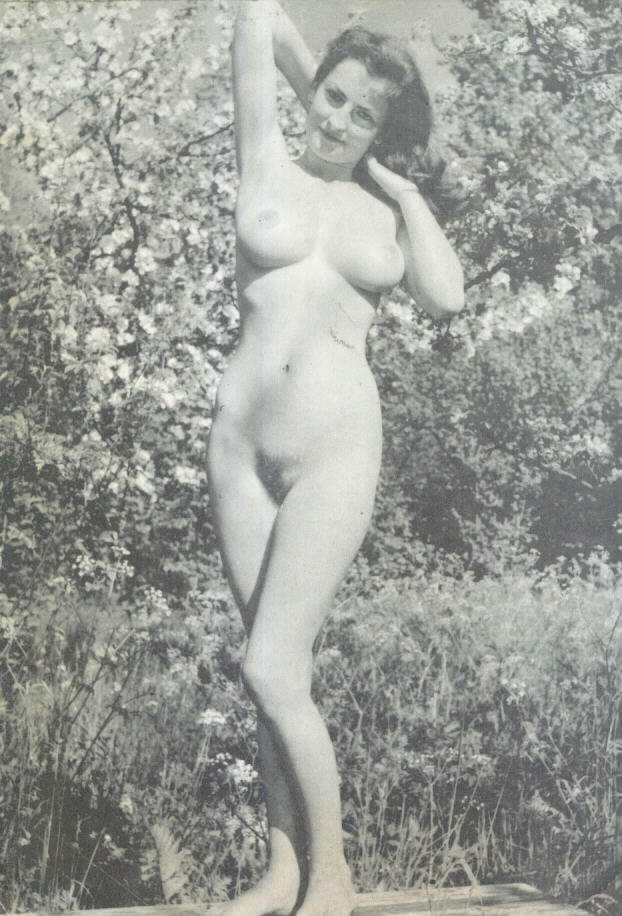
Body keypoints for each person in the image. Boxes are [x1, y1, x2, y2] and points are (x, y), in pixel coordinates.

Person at [206, 2, 464, 913]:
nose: (339, 120)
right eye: (334, 98)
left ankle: (335, 875)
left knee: (271, 667)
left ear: (384, 132)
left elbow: (445, 298)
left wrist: (403, 189)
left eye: (364, 115)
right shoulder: (265, 158)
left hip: (335, 447)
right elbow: (257, 15)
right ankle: (283, 872)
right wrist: (329, 74)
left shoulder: (383, 208)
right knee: (269, 669)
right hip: (239, 447)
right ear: (312, 89)